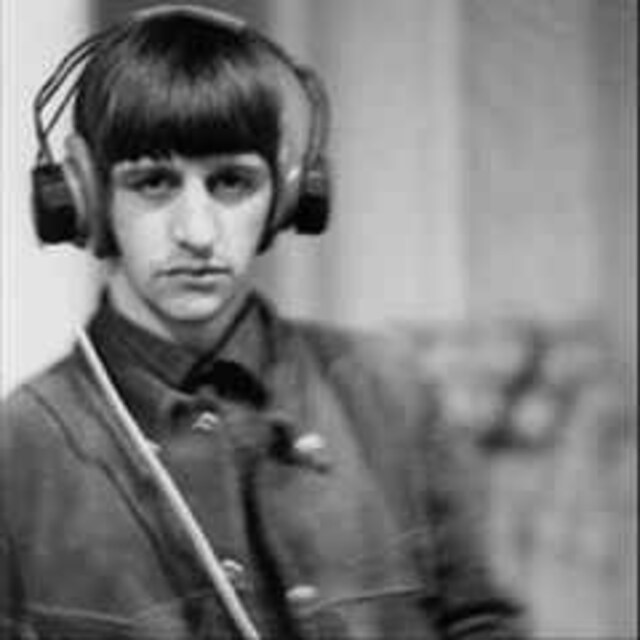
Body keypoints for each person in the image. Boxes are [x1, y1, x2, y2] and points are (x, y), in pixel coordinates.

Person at [1, 5, 527, 639]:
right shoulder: (18, 449)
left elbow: (484, 624)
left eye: (232, 183)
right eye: (153, 183)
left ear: (287, 195)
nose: (197, 232)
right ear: (84, 196)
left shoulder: (389, 393)